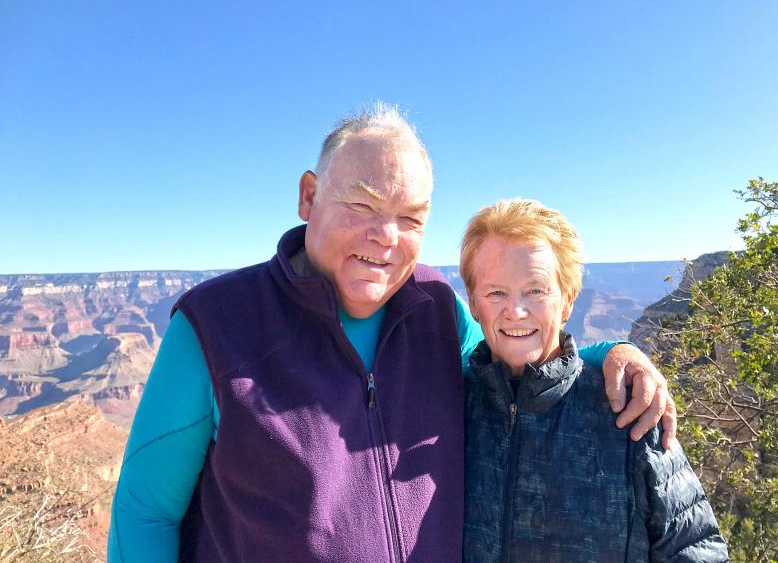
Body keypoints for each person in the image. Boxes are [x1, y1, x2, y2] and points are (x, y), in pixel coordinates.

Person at [108, 103, 676, 562]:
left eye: (411, 218)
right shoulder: (216, 325)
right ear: (309, 196)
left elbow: (521, 363)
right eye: (362, 204)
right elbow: (145, 512)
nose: (385, 236)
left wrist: (611, 353)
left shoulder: (435, 310)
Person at [460, 199, 728, 562]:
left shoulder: (627, 408)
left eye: (536, 290)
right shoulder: (449, 410)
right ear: (474, 304)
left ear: (568, 301)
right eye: (495, 292)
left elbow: (694, 549)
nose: (516, 311)